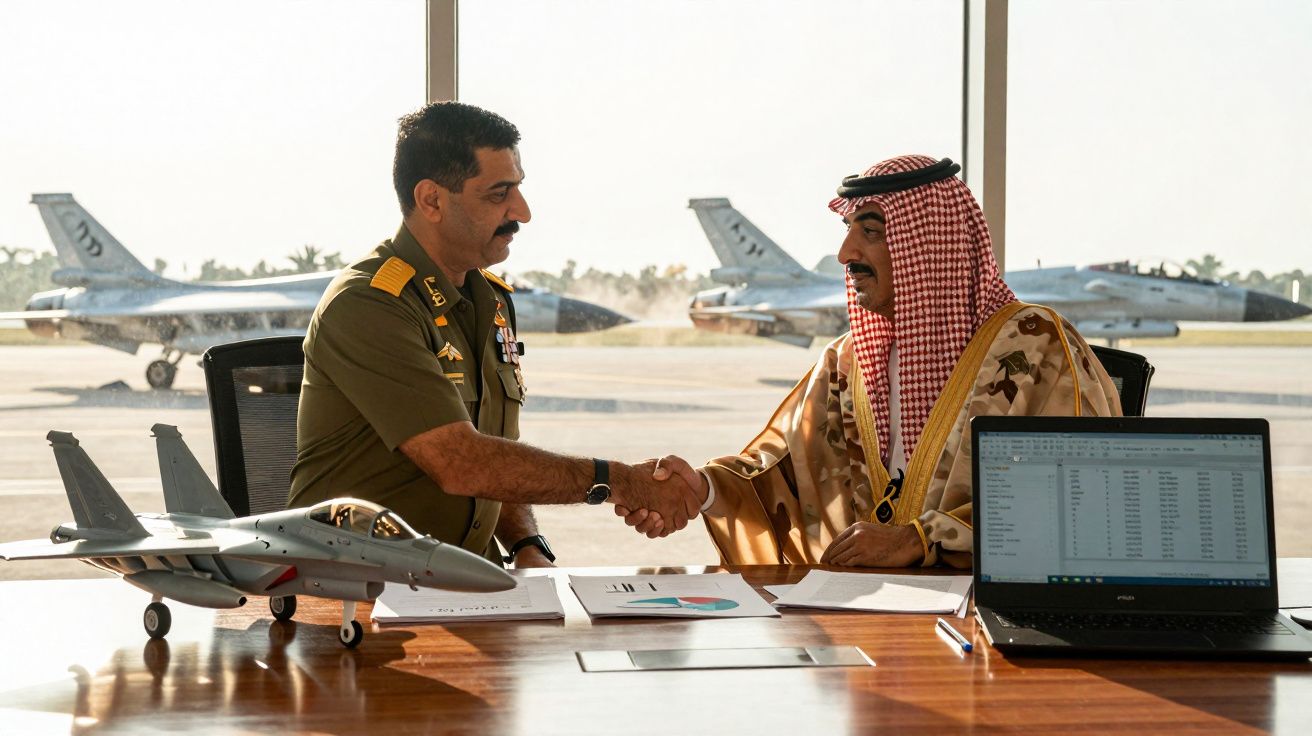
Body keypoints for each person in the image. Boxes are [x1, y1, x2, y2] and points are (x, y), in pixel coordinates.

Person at [621, 154, 1122, 568]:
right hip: (867, 620)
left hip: (986, 622)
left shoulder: (1034, 346)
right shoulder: (847, 361)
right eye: (847, 230)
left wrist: (920, 539)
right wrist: (703, 489)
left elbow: (1081, 499)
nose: (845, 253)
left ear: (929, 246)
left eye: (872, 231)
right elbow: (785, 474)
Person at [289, 101, 701, 568]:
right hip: (355, 587)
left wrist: (528, 545)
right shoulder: (371, 303)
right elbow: (462, 463)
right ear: (432, 200)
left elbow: (497, 464)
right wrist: (619, 481)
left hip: (464, 579)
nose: (521, 212)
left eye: (518, 189)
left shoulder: (492, 301)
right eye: (498, 194)